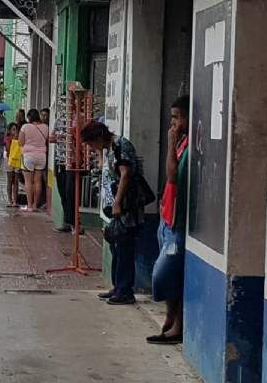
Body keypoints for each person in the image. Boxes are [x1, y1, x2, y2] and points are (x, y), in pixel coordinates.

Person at [81, 120, 144, 305]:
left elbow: (125, 174)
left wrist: (117, 202)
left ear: (99, 137)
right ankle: (118, 287)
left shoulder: (121, 146)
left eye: (92, 143)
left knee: (124, 248)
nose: (92, 148)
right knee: (116, 246)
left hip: (126, 207)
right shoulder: (109, 149)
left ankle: (125, 290)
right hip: (115, 208)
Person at [148, 95, 189, 344]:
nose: (173, 123)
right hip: (168, 218)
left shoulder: (188, 147)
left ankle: (178, 325)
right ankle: (170, 318)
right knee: (167, 275)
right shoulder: (182, 143)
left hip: (179, 222)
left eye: (177, 117)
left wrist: (170, 144)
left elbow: (172, 175)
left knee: (164, 274)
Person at [18, 109, 49, 212]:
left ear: (29, 117)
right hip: (41, 156)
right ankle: (35, 205)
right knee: (38, 181)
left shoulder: (25, 127)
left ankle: (29, 205)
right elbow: (47, 140)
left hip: (28, 156)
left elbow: (20, 142)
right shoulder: (45, 127)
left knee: (28, 181)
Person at [4, 122, 21, 207]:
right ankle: (10, 200)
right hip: (9, 160)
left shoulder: (20, 138)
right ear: (9, 130)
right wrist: (13, 140)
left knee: (16, 181)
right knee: (10, 180)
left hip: (17, 160)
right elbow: (8, 149)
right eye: (13, 129)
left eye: (16, 129)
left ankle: (15, 201)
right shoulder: (7, 138)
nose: (15, 131)